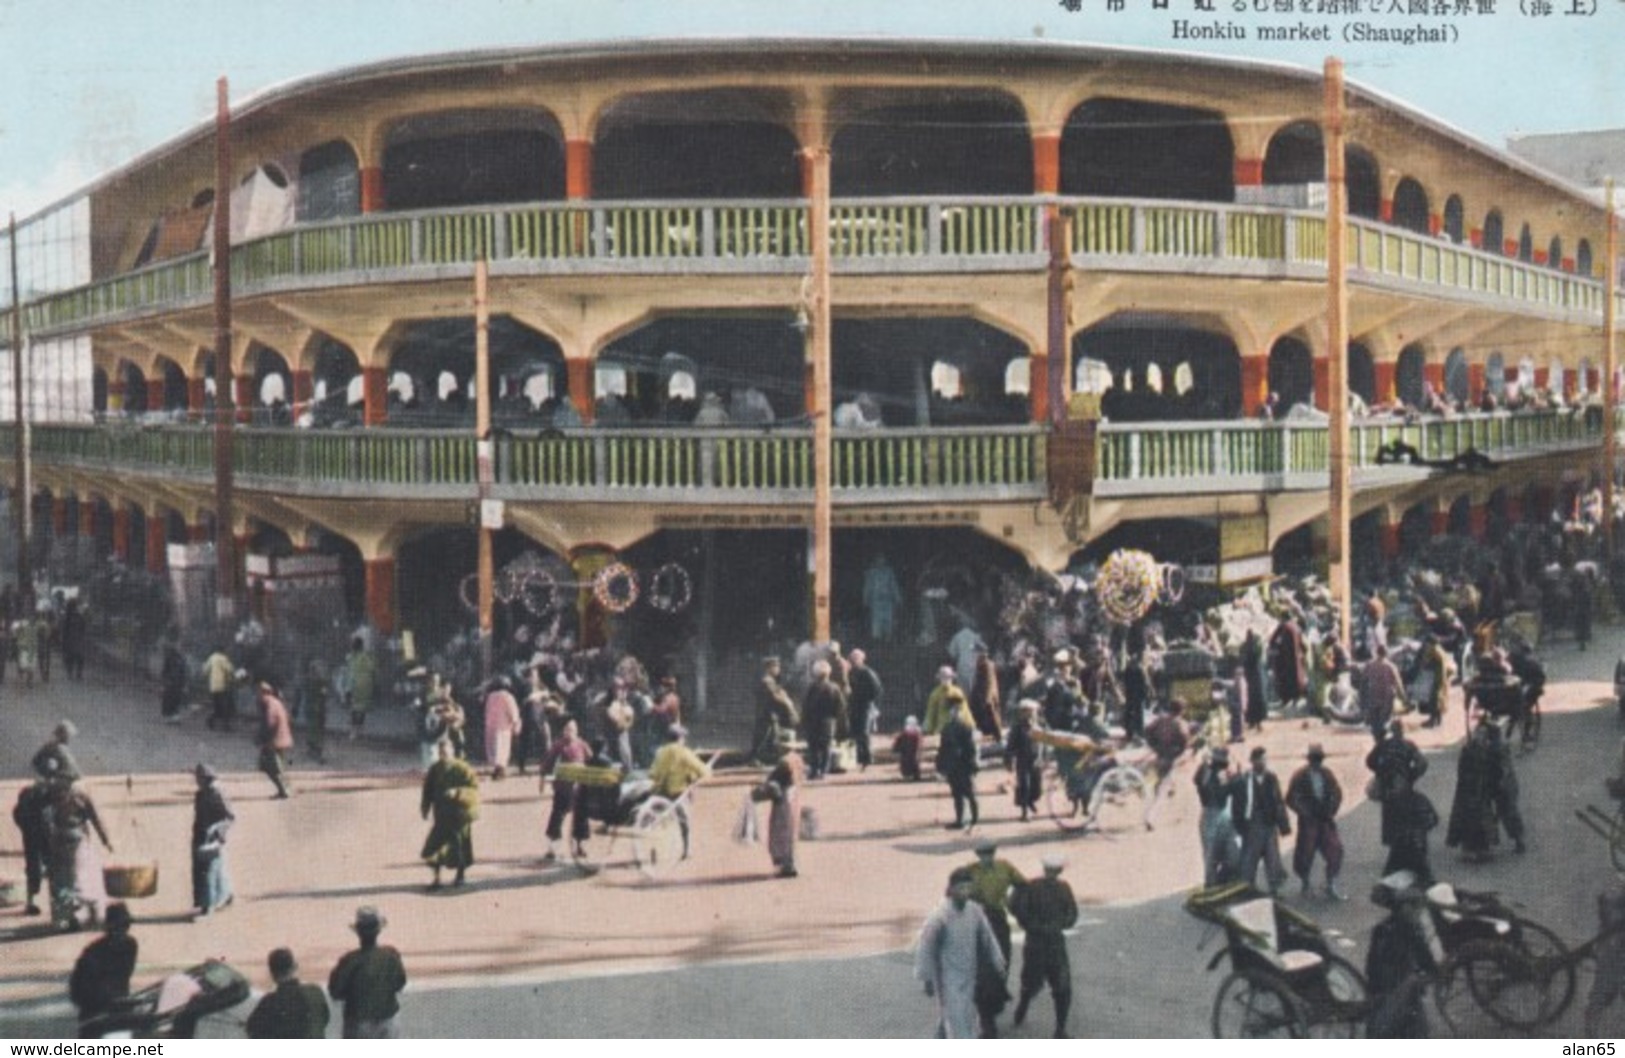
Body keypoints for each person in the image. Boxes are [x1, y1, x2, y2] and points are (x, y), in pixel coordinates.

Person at [916, 868, 1006, 1039]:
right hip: (947, 977)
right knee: (958, 1021)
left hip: (970, 973)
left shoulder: (975, 911)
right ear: (951, 889)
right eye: (961, 888)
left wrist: (997, 960)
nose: (965, 893)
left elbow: (988, 936)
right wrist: (926, 977)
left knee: (958, 1017)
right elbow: (926, 945)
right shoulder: (940, 915)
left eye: (968, 888)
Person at [1010, 854, 1079, 1039]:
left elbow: (1015, 906)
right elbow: (1072, 914)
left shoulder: (1031, 886)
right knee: (1061, 986)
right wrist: (1059, 925)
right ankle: (1060, 1028)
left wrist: (1031, 925)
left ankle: (1023, 1008)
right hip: (1053, 941)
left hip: (1036, 941)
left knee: (1031, 981)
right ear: (1059, 870)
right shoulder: (1063, 888)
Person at [963, 840, 1025, 1036]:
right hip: (978, 923)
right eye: (982, 854)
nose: (986, 857)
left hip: (998, 920)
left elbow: (1023, 885)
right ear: (977, 855)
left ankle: (994, 1004)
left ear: (994, 853)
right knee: (983, 971)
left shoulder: (1004, 867)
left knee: (1001, 964)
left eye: (989, 853)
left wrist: (1011, 903)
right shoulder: (969, 871)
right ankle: (986, 1018)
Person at [328, 906, 407, 1039]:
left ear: (358, 932)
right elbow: (400, 983)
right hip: (388, 1018)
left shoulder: (349, 961)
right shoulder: (391, 956)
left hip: (358, 1021)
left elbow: (335, 991)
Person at [45, 775, 111, 929]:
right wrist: (106, 840)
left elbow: (42, 820)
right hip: (78, 838)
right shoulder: (80, 795)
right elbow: (96, 818)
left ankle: (63, 918)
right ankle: (86, 911)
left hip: (57, 839)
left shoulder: (49, 794)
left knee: (61, 880)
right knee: (81, 878)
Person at [1286, 744, 1346, 900]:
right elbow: (1290, 798)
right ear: (1309, 760)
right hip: (1309, 822)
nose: (1316, 763)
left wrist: (1332, 810)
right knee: (1305, 853)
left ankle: (1331, 884)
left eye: (1319, 759)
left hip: (1325, 820)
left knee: (1335, 850)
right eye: (1314, 759)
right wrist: (1304, 812)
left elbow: (1337, 793)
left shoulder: (1327, 774)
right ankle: (1305, 883)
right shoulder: (1300, 775)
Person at [1229, 746, 1290, 895]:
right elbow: (1237, 805)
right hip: (1253, 825)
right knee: (1250, 858)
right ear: (1253, 762)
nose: (1263, 763)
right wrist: (1240, 826)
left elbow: (1279, 801)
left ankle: (1274, 888)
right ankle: (1247, 888)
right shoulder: (1244, 780)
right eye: (1260, 760)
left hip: (1269, 824)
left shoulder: (1271, 778)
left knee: (1272, 857)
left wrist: (1283, 825)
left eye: (1264, 760)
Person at [68, 902, 137, 1034]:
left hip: (118, 1007)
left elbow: (122, 978)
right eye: (117, 927)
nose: (122, 931)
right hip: (95, 1011)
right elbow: (78, 989)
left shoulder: (130, 945)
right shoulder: (93, 953)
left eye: (125, 926)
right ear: (109, 928)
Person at [420, 739, 479, 889]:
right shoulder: (435, 769)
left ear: (452, 751)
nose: (443, 755)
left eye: (446, 752)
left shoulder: (463, 769)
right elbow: (428, 790)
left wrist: (458, 793)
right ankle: (437, 879)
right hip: (441, 817)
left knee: (459, 849)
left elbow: (474, 791)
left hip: (459, 818)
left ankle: (460, 876)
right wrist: (425, 807)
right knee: (434, 849)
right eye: (441, 753)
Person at [648, 724, 710, 858]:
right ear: (680, 738)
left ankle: (653, 849)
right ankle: (686, 850)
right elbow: (701, 770)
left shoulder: (661, 752)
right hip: (678, 793)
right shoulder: (683, 752)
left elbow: (652, 773)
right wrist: (705, 771)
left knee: (657, 821)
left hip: (661, 793)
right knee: (684, 821)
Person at [539, 718, 592, 862]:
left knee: (581, 818)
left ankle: (580, 845)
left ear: (577, 731)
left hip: (579, 786)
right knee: (557, 816)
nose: (570, 732)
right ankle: (552, 848)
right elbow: (548, 763)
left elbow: (591, 760)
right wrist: (543, 777)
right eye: (567, 729)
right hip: (563, 787)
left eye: (572, 729)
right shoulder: (558, 746)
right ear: (563, 731)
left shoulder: (582, 745)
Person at [247, 947, 331, 1039]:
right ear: (294, 967)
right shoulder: (315, 992)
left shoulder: (269, 1002)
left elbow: (252, 1030)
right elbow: (325, 1018)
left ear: (272, 973)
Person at [190, 764, 234, 918]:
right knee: (211, 869)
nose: (196, 780)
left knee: (208, 871)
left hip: (212, 838)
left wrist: (217, 830)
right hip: (199, 835)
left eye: (198, 778)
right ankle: (225, 895)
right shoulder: (200, 794)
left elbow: (229, 817)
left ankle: (208, 906)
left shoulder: (217, 794)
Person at [1381, 772, 1440, 884]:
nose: (1396, 784)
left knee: (1418, 868)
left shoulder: (1399, 800)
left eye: (1399, 781)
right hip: (1409, 842)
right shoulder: (1395, 799)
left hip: (1411, 842)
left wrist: (1418, 829)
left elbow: (1432, 819)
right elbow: (1433, 819)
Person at [754, 751, 804, 878]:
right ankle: (789, 863)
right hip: (792, 811)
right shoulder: (793, 780)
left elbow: (765, 791)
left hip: (781, 813)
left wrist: (757, 791)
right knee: (789, 837)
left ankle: (785, 864)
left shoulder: (779, 781)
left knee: (780, 837)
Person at [1195, 746, 1239, 886]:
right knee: (1211, 858)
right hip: (1210, 815)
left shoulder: (1226, 775)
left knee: (1234, 856)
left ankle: (1223, 881)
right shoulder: (1206, 774)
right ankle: (1212, 886)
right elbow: (1202, 785)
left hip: (1225, 815)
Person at [800, 658, 848, 780]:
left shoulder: (812, 687)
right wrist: (837, 719)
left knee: (813, 747)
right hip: (829, 721)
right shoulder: (834, 688)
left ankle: (814, 770)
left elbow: (806, 705)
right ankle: (823, 770)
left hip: (813, 721)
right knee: (826, 747)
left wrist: (804, 719)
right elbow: (841, 706)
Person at [936, 702, 981, 830]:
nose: (954, 714)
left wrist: (973, 764)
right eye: (951, 711)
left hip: (964, 765)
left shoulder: (966, 727)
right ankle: (959, 820)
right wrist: (940, 766)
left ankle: (975, 819)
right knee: (956, 794)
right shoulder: (946, 728)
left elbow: (972, 748)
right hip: (952, 765)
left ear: (961, 713)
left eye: (956, 711)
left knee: (970, 793)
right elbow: (942, 748)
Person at [12, 779, 51, 915]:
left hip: (30, 836)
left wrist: (26, 829)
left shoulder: (26, 796)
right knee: (52, 868)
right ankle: (52, 901)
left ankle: (31, 901)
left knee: (33, 868)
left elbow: (16, 815)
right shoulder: (46, 796)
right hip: (44, 836)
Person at [751, 656, 799, 765]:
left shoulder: (772, 680)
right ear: (769, 668)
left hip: (770, 714)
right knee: (763, 736)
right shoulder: (767, 681)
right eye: (775, 667)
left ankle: (766, 758)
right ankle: (755, 758)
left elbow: (779, 692)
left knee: (772, 736)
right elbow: (775, 696)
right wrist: (787, 702)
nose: (778, 669)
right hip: (765, 713)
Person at [255, 682, 295, 800]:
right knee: (276, 766)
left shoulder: (268, 703)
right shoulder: (276, 702)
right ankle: (285, 789)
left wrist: (262, 738)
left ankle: (284, 790)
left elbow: (269, 723)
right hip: (281, 739)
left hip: (274, 741)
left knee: (272, 766)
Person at [1006, 700, 1043, 822]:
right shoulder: (1017, 728)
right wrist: (1009, 760)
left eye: (1033, 712)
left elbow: (1043, 743)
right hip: (1023, 760)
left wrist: (1042, 757)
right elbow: (1010, 746)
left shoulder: (1037, 726)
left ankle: (1030, 802)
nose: (1031, 715)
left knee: (1035, 786)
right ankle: (1024, 811)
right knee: (1024, 786)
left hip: (1036, 761)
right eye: (1028, 712)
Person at [846, 648, 883, 770]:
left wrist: (873, 704)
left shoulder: (868, 673)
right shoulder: (851, 673)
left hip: (866, 705)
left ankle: (867, 758)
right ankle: (859, 757)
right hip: (855, 705)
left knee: (864, 732)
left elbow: (877, 690)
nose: (853, 661)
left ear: (862, 659)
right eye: (852, 659)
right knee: (856, 731)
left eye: (855, 659)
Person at [1362, 645, 1406, 740]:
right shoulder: (1391, 667)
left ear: (1377, 652)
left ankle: (1377, 739)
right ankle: (1382, 738)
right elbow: (1398, 684)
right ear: (1386, 654)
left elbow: (1364, 681)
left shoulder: (1370, 665)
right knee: (1385, 720)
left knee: (1374, 721)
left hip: (1373, 695)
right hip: (1387, 697)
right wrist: (1403, 698)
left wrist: (1363, 696)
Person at [481, 677, 522, 780]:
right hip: (504, 727)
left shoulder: (490, 696)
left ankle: (496, 768)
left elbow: (486, 711)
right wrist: (515, 723)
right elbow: (513, 712)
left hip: (491, 726)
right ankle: (501, 769)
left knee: (493, 748)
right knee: (503, 748)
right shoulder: (508, 697)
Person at [1269, 616, 1309, 715]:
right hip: (1296, 660)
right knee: (1297, 679)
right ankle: (1295, 699)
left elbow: (1272, 640)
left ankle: (1286, 700)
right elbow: (1304, 645)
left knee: (1285, 679)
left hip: (1285, 659)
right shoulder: (1297, 628)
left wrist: (1276, 648)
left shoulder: (1283, 627)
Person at [343, 636, 378, 741]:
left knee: (354, 708)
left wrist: (347, 688)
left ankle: (354, 731)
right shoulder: (366, 657)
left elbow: (350, 673)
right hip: (366, 685)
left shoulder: (351, 657)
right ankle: (359, 729)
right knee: (362, 709)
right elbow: (373, 669)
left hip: (355, 685)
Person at [967, 652, 1003, 741]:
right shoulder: (985, 665)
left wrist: (987, 697)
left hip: (986, 696)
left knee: (992, 715)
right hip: (983, 695)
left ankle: (998, 736)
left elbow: (989, 682)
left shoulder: (987, 665)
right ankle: (991, 735)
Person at [202, 644, 238, 732]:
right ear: (223, 650)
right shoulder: (223, 658)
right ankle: (226, 726)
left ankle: (210, 720)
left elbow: (205, 670)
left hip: (213, 686)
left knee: (217, 705)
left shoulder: (212, 658)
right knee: (225, 706)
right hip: (223, 686)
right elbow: (230, 669)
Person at [301, 658, 330, 764]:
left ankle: (313, 749)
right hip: (314, 708)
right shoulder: (316, 681)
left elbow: (324, 695)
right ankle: (315, 751)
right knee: (315, 729)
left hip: (316, 708)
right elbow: (323, 695)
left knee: (316, 729)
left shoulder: (316, 681)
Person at [924, 665, 968, 736]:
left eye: (948, 678)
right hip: (941, 731)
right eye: (943, 678)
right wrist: (927, 729)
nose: (946, 680)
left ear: (952, 678)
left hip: (958, 730)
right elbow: (930, 713)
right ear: (940, 679)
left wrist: (970, 726)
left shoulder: (958, 692)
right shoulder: (935, 694)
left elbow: (965, 711)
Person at [33, 720, 81, 784]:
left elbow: (74, 771)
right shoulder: (54, 748)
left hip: (62, 780)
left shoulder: (60, 748)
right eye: (67, 736)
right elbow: (36, 761)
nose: (69, 738)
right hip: (56, 781)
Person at [160, 638, 189, 723]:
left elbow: (184, 672)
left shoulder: (182, 659)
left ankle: (175, 716)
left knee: (177, 700)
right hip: (170, 682)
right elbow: (165, 670)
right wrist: (164, 682)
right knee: (169, 699)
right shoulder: (170, 657)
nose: (180, 648)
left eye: (181, 647)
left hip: (178, 683)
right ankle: (170, 716)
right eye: (179, 646)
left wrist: (185, 684)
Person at [59, 599, 86, 682]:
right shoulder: (79, 616)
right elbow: (83, 627)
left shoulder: (66, 617)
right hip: (77, 639)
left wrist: (62, 639)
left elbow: (63, 629)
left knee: (70, 657)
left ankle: (71, 673)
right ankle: (78, 673)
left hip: (70, 639)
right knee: (79, 657)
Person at [892, 715, 924, 781]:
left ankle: (910, 774)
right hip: (908, 753)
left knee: (911, 763)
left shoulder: (907, 733)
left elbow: (898, 742)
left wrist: (895, 749)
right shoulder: (906, 734)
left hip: (908, 753)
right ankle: (910, 774)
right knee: (911, 763)